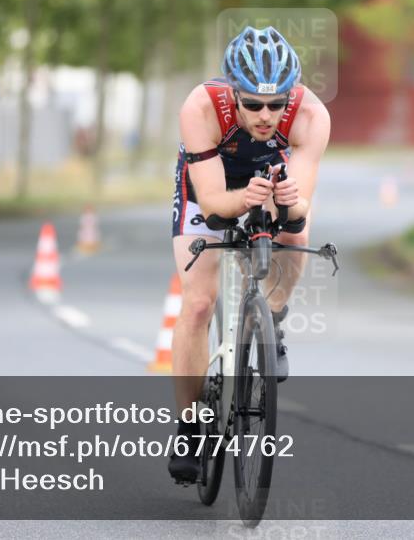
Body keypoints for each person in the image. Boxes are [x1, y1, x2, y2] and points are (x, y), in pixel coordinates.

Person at [168, 26, 331, 483]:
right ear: (233, 93)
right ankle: (189, 429)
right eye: (253, 104)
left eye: (276, 104)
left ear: (290, 97)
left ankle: (271, 318)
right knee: (198, 304)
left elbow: (298, 210)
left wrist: (287, 203)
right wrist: (243, 200)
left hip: (272, 174)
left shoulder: (312, 116)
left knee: (295, 236)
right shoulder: (201, 107)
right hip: (211, 180)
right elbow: (213, 204)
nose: (265, 115)